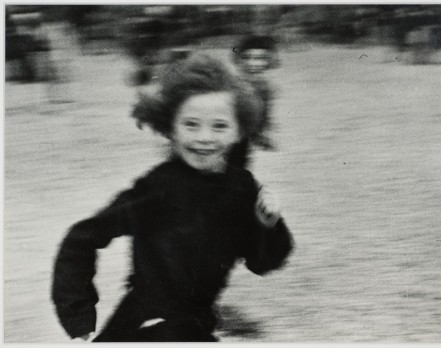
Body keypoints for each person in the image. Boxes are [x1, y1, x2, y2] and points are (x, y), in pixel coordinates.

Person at [51, 53, 293, 342]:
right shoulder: (158, 187)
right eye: (191, 124)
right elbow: (81, 238)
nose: (204, 137)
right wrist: (79, 318)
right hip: (144, 323)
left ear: (238, 130)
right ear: (170, 128)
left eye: (219, 126)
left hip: (196, 324)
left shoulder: (242, 187)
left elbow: (261, 263)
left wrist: (268, 225)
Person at [229, 34, 280, 168]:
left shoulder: (265, 90)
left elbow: (260, 125)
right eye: (247, 58)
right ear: (238, 60)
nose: (253, 64)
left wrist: (262, 137)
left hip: (242, 149)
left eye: (260, 58)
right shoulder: (228, 86)